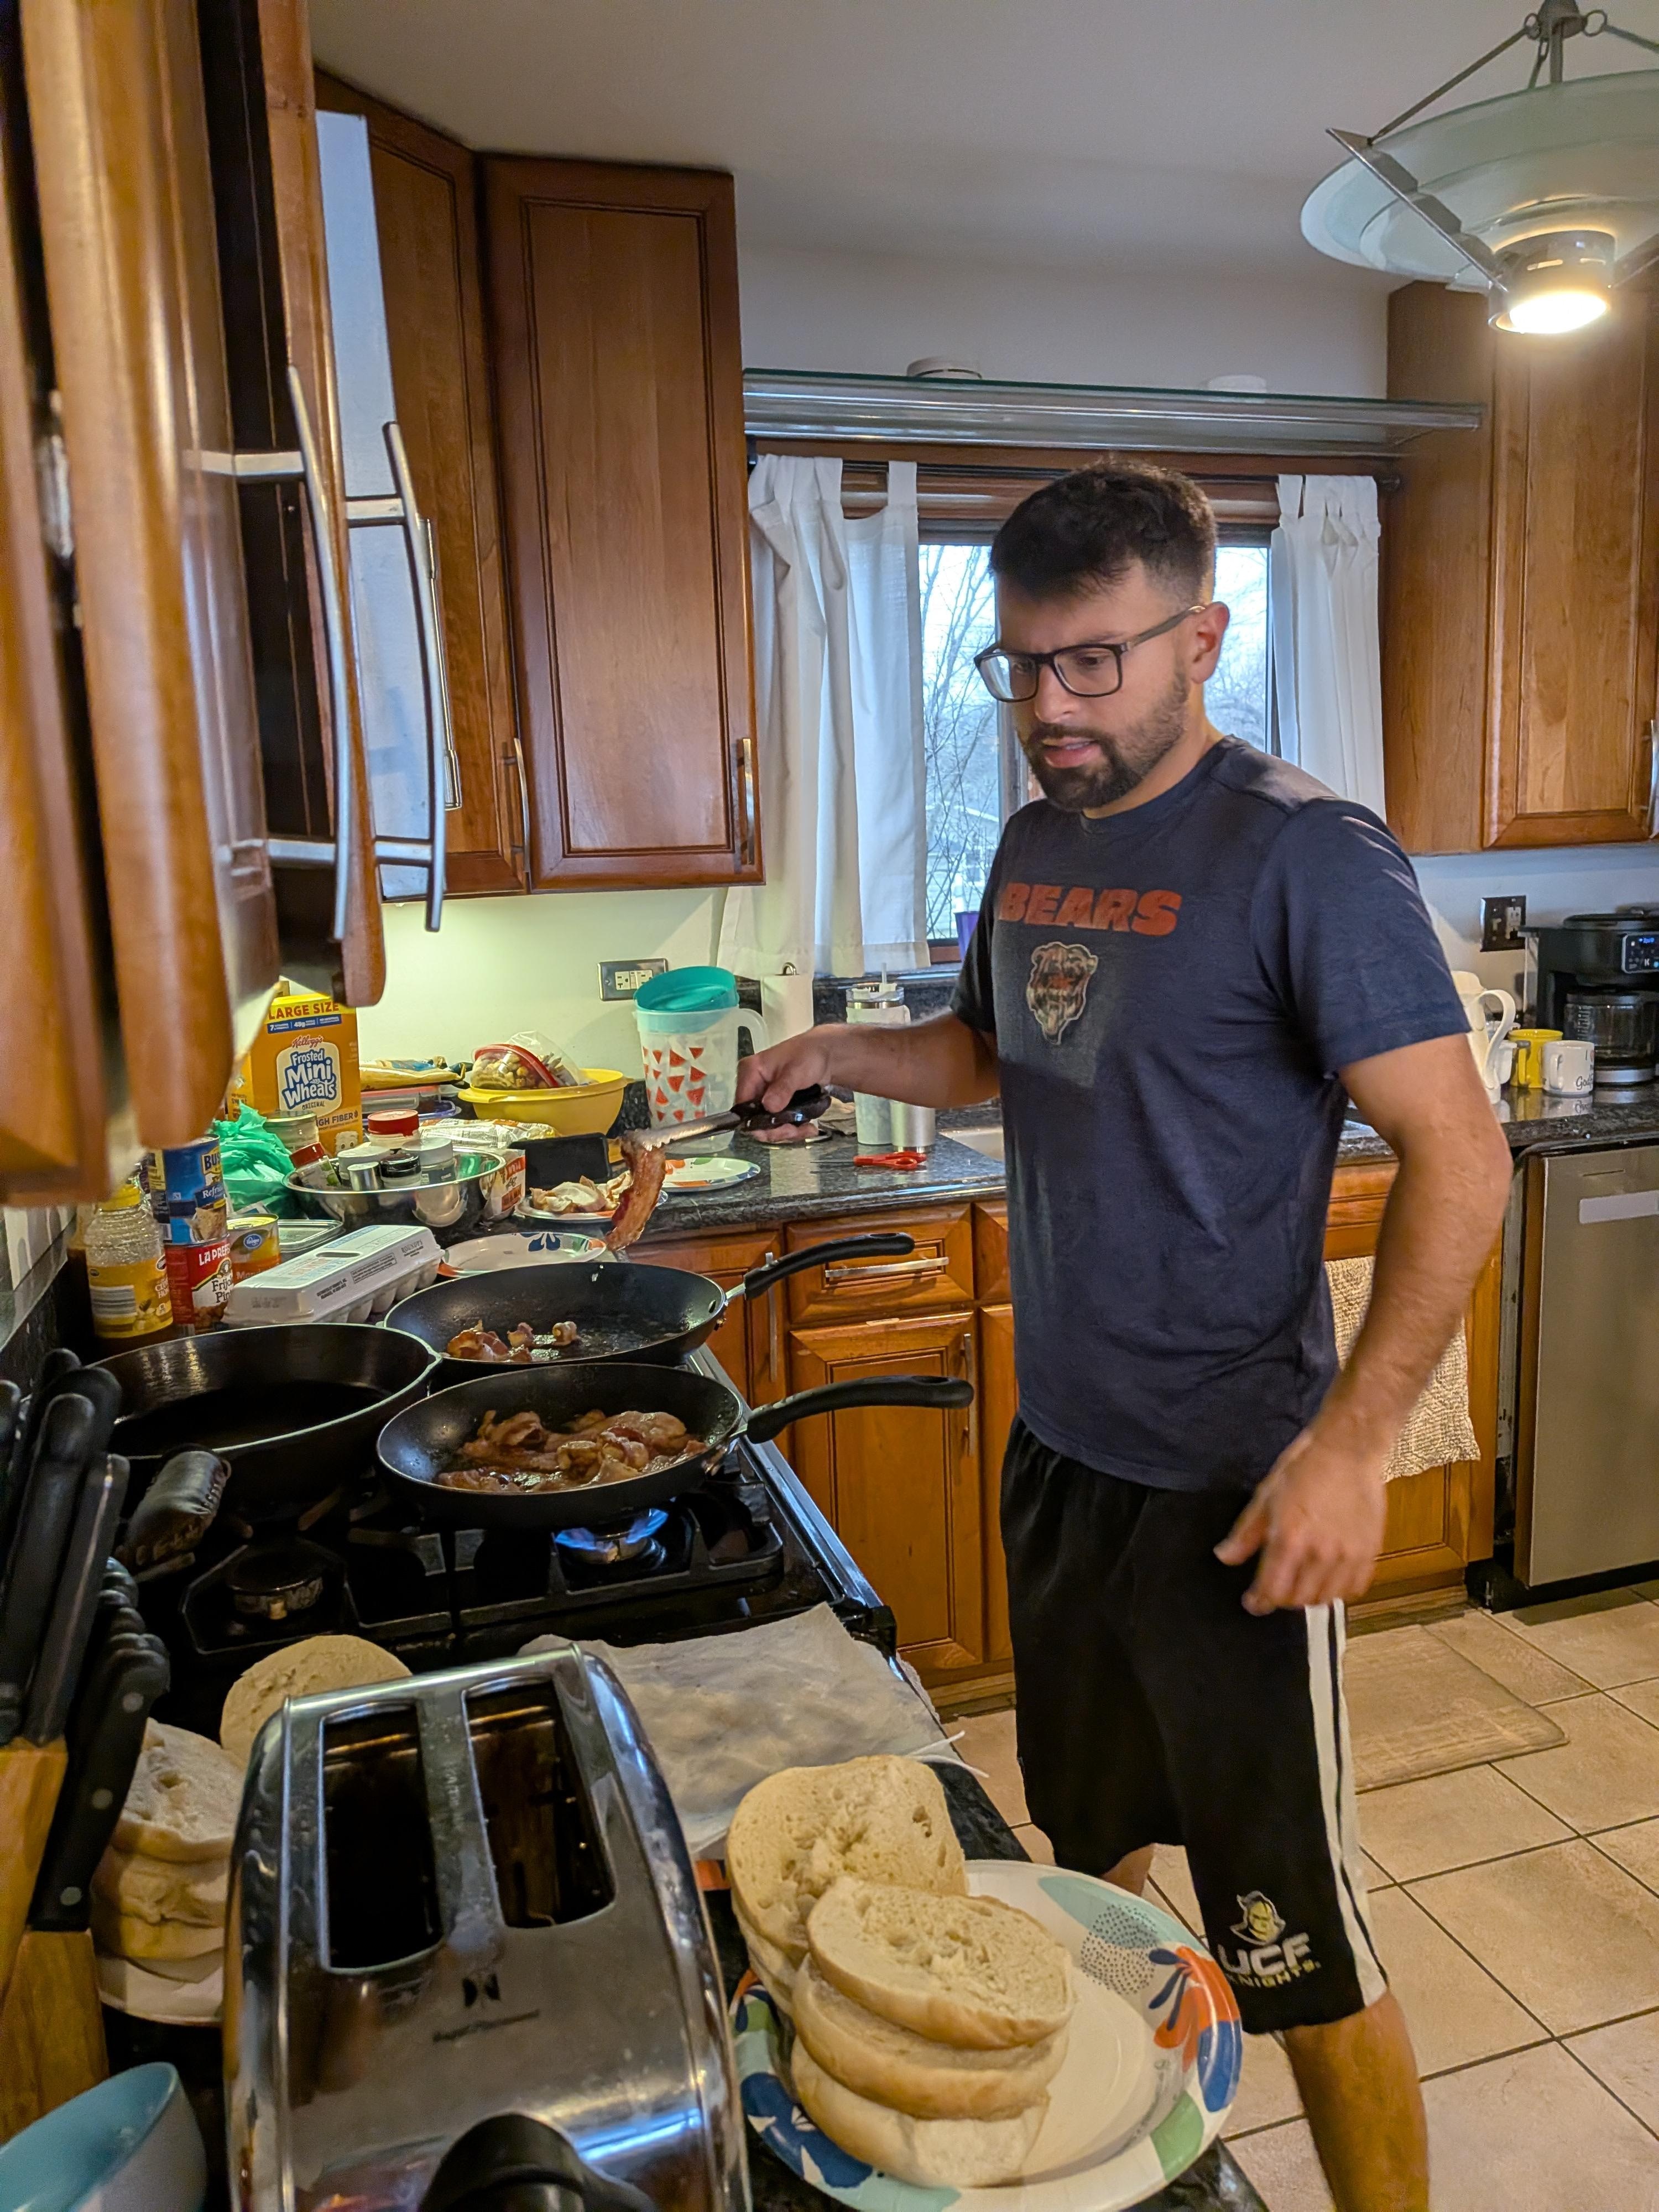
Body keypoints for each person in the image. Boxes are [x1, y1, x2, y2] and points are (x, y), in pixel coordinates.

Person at [737, 460, 1513, 2212]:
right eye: (1022, 666)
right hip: (1064, 1462)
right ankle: (1159, 2163)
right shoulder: (1033, 842)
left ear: (1204, 640)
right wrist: (837, 1057)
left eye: (1096, 663)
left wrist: (1351, 1442)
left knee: (1302, 1936)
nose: (1053, 707)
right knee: (1095, 1871)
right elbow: (997, 1058)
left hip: (1233, 1494)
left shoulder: (1304, 851)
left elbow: (1466, 1161)